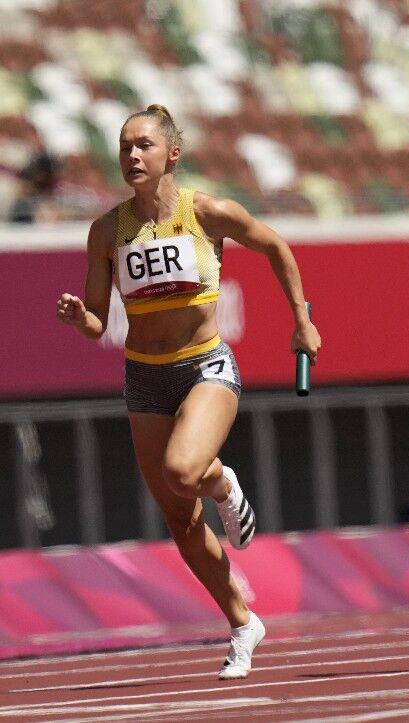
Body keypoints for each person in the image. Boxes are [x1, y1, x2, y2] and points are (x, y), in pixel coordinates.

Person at [56, 104, 321, 676]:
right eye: (124, 146)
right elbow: (100, 320)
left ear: (172, 153)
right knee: (179, 518)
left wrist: (301, 320)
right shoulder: (107, 230)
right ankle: (243, 623)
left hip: (204, 365)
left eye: (144, 145)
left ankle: (223, 481)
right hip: (144, 375)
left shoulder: (207, 212)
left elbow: (276, 246)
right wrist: (82, 320)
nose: (132, 155)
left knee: (185, 471)